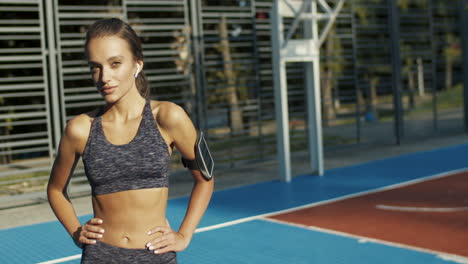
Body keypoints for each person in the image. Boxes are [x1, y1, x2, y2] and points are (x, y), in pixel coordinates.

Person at [47, 18, 214, 263]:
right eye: (95, 67)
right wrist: (76, 231)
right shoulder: (80, 129)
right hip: (100, 256)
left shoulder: (168, 117)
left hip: (155, 255)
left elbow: (205, 180)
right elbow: (55, 189)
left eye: (115, 63)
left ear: (137, 64)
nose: (104, 77)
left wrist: (184, 235)